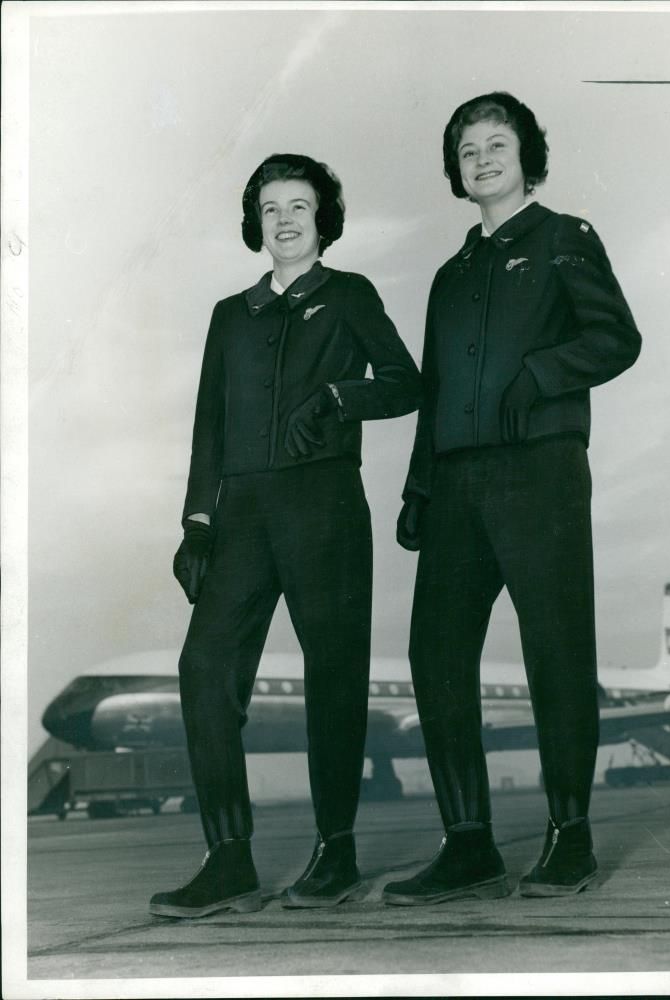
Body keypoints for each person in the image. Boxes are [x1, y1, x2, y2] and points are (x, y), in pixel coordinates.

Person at [383, 92, 641, 906]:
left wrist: (538, 376)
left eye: (498, 144)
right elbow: (433, 393)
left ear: (528, 155)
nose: (483, 159)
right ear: (457, 171)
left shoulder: (566, 238)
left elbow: (616, 338)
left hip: (540, 474)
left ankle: (570, 838)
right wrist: (420, 485)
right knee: (435, 655)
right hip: (456, 484)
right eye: (467, 150)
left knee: (555, 650)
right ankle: (469, 846)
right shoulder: (449, 275)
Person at [149, 153, 421, 918]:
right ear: (256, 223)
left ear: (322, 217)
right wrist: (197, 522)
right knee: (204, 669)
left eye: (299, 205)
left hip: (325, 504)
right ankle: (228, 858)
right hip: (240, 516)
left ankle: (336, 852)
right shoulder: (229, 315)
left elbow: (406, 382)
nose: (286, 219)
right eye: (271, 208)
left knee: (333, 675)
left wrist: (338, 397)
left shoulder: (350, 295)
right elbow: (208, 426)